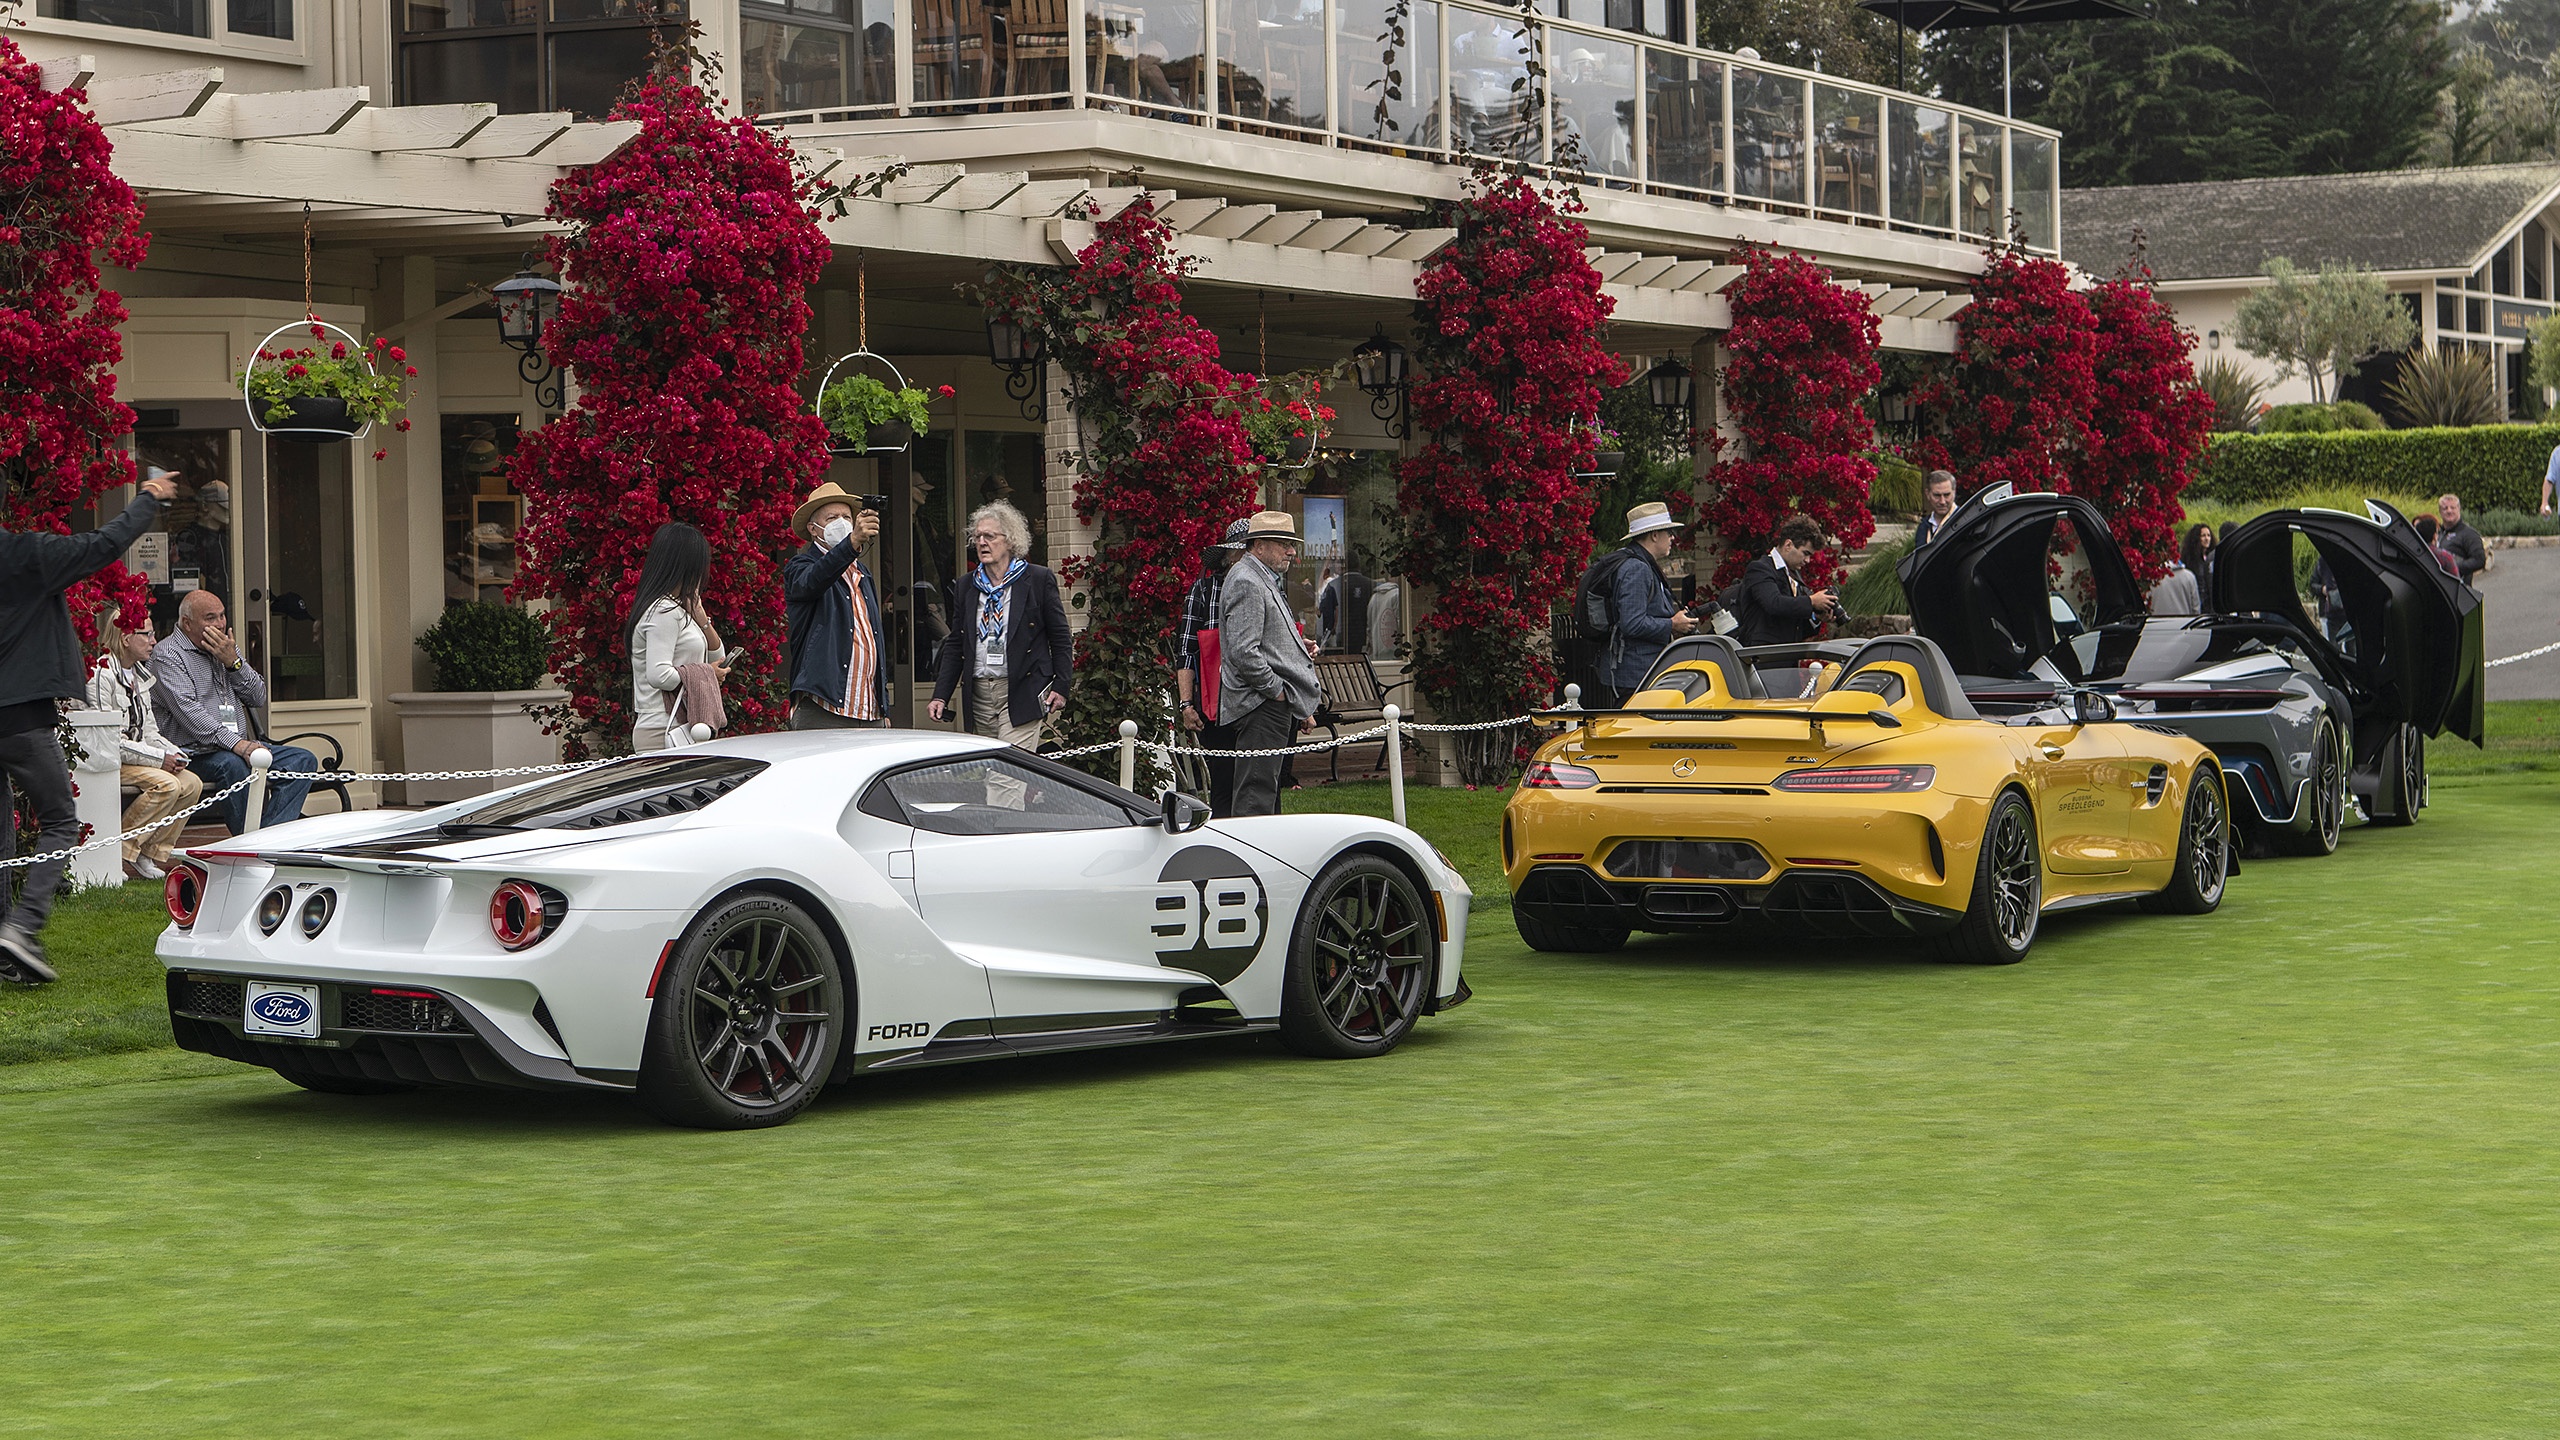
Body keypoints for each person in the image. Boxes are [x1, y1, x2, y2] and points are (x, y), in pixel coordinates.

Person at [0, 469, 177, 983]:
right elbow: (105, 543)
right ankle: (21, 930)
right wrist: (148, 498)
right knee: (59, 818)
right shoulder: (26, 556)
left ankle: (4, 950)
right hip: (21, 717)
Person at [156, 588, 320, 836]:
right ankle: (250, 840)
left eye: (222, 616)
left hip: (235, 747)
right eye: (210, 618)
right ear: (187, 624)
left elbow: (258, 697)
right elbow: (192, 717)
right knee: (233, 764)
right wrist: (240, 746)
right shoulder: (167, 656)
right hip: (194, 753)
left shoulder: (226, 649)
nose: (220, 624)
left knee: (302, 760)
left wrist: (234, 663)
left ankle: (266, 839)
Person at [928, 500, 1072, 750]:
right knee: (991, 770)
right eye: (978, 536)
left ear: (1010, 539)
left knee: (1006, 776)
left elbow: (1059, 637)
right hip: (979, 693)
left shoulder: (1037, 579)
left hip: (1022, 688)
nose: (982, 542)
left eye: (990, 536)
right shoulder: (966, 585)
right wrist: (941, 694)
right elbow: (956, 643)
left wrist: (1061, 686)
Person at [1218, 511, 1322, 817]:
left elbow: (1256, 640)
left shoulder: (1257, 577)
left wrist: (1293, 647)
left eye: (1291, 544)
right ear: (1258, 545)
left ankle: (1257, 861)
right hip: (1260, 706)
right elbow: (1244, 652)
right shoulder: (1248, 580)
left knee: (1263, 795)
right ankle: (1249, 864)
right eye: (1283, 543)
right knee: (1256, 801)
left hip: (1264, 704)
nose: (1291, 551)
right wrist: (1276, 691)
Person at [86, 617, 203, 882]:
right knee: (167, 785)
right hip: (106, 763)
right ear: (126, 638)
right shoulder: (101, 674)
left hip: (135, 759)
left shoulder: (139, 675)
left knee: (192, 784)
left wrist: (174, 754)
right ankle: (119, 853)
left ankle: (146, 853)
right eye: (147, 634)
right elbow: (109, 743)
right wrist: (161, 759)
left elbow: (149, 731)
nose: (154, 641)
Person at [784, 483, 890, 730]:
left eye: (846, 517)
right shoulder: (800, 566)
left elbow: (874, 641)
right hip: (825, 705)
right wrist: (851, 543)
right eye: (832, 518)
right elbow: (814, 580)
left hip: (869, 707)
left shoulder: (863, 573)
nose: (841, 523)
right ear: (813, 529)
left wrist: (882, 704)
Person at [624, 522, 729, 752]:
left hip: (680, 727)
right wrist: (707, 673)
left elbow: (717, 655)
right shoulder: (663, 611)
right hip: (663, 728)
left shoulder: (678, 608)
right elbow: (659, 675)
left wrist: (702, 619)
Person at [1177, 518, 1251, 817]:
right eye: (1243, 552)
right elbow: (1186, 650)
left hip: (1260, 700)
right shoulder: (1204, 590)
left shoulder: (1271, 588)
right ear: (1229, 556)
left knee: (1261, 783)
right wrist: (1186, 704)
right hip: (1214, 701)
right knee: (1223, 781)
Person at [1595, 502, 1698, 708]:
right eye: (1668, 532)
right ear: (1654, 535)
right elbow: (1632, 623)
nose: (1672, 538)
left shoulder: (1641, 564)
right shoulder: (1636, 568)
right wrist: (1671, 624)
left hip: (1639, 672)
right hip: (1635, 675)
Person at [1738, 516, 1839, 647]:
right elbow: (1773, 604)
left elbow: (1794, 627)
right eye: (1805, 553)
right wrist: (1812, 601)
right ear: (1788, 545)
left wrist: (1816, 618)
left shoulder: (1793, 575)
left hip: (1787, 658)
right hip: (1763, 658)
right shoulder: (1760, 569)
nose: (1808, 560)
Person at [2436, 494, 2485, 585]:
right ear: (2440, 511)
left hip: (2460, 589)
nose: (2449, 511)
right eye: (2445, 508)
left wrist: (2452, 567)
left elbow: (2479, 560)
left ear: (2459, 509)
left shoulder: (2469, 534)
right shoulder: (2437, 533)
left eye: (2453, 507)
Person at [1913, 470, 1958, 547]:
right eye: (1937, 495)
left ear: (1954, 492)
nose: (1942, 501)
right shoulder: (1923, 526)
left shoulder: (1963, 520)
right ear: (1927, 494)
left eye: (1947, 495)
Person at [2181, 523, 2216, 595]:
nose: (2207, 538)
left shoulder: (2212, 557)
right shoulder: (2190, 559)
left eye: (2208, 535)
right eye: (2203, 536)